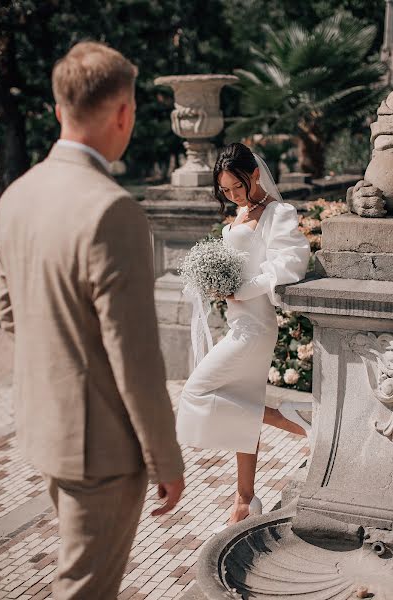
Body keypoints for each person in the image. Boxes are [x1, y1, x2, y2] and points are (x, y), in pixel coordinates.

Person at [0, 41, 184, 599]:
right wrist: (166, 459)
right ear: (123, 113)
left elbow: (9, 311)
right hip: (102, 450)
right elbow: (135, 358)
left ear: (58, 110)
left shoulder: (15, 196)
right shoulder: (112, 209)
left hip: (44, 428)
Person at [177, 142, 310, 528]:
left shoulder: (278, 213)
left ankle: (300, 423)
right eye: (226, 191)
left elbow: (289, 265)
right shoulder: (239, 214)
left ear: (254, 174)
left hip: (255, 326)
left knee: (196, 391)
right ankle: (244, 501)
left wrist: (240, 288)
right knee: (241, 400)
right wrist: (212, 281)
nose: (234, 196)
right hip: (238, 322)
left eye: (238, 186)